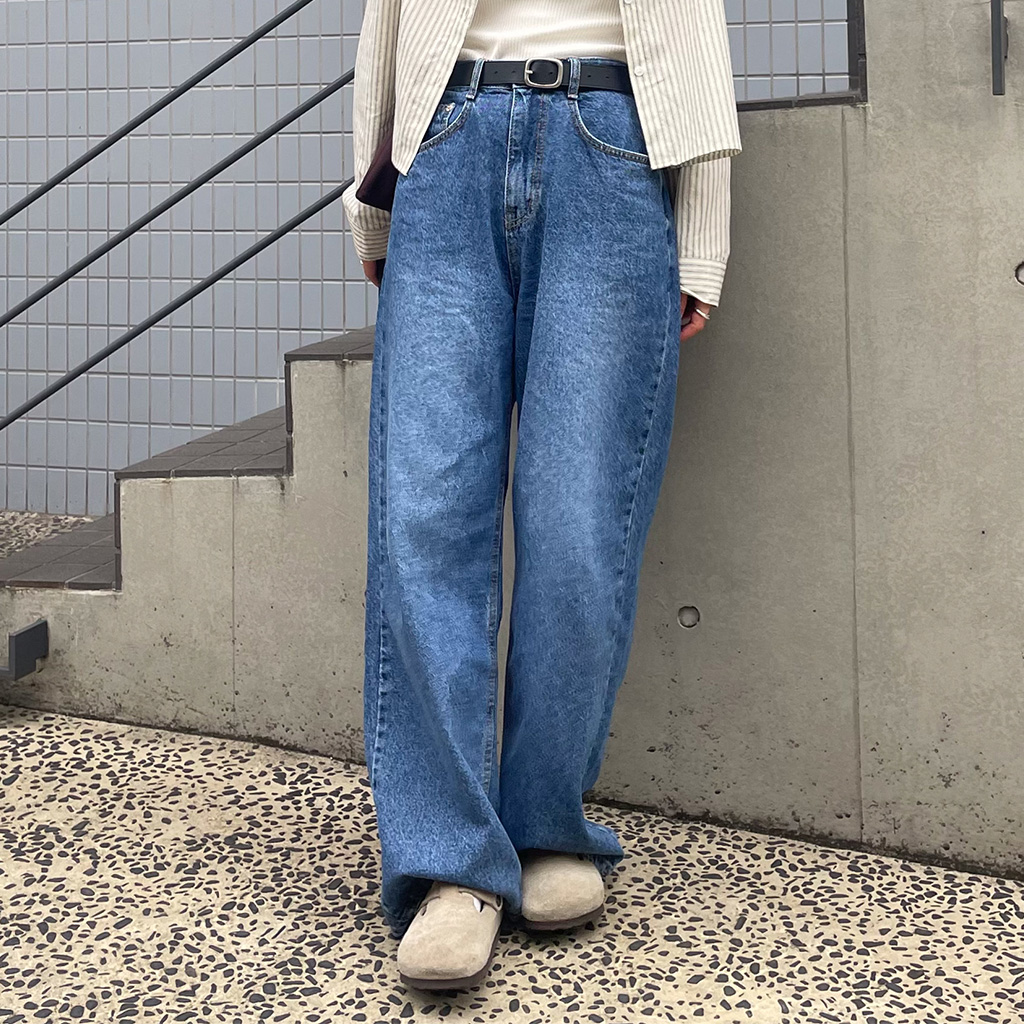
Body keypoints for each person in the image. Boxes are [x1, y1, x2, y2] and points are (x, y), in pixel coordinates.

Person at [340, 0, 741, 991]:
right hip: (447, 141)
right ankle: (450, 863)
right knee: (424, 518)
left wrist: (702, 234)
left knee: (579, 521)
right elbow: (386, 20)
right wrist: (372, 204)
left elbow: (692, 25)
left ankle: (545, 824)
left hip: (612, 142)